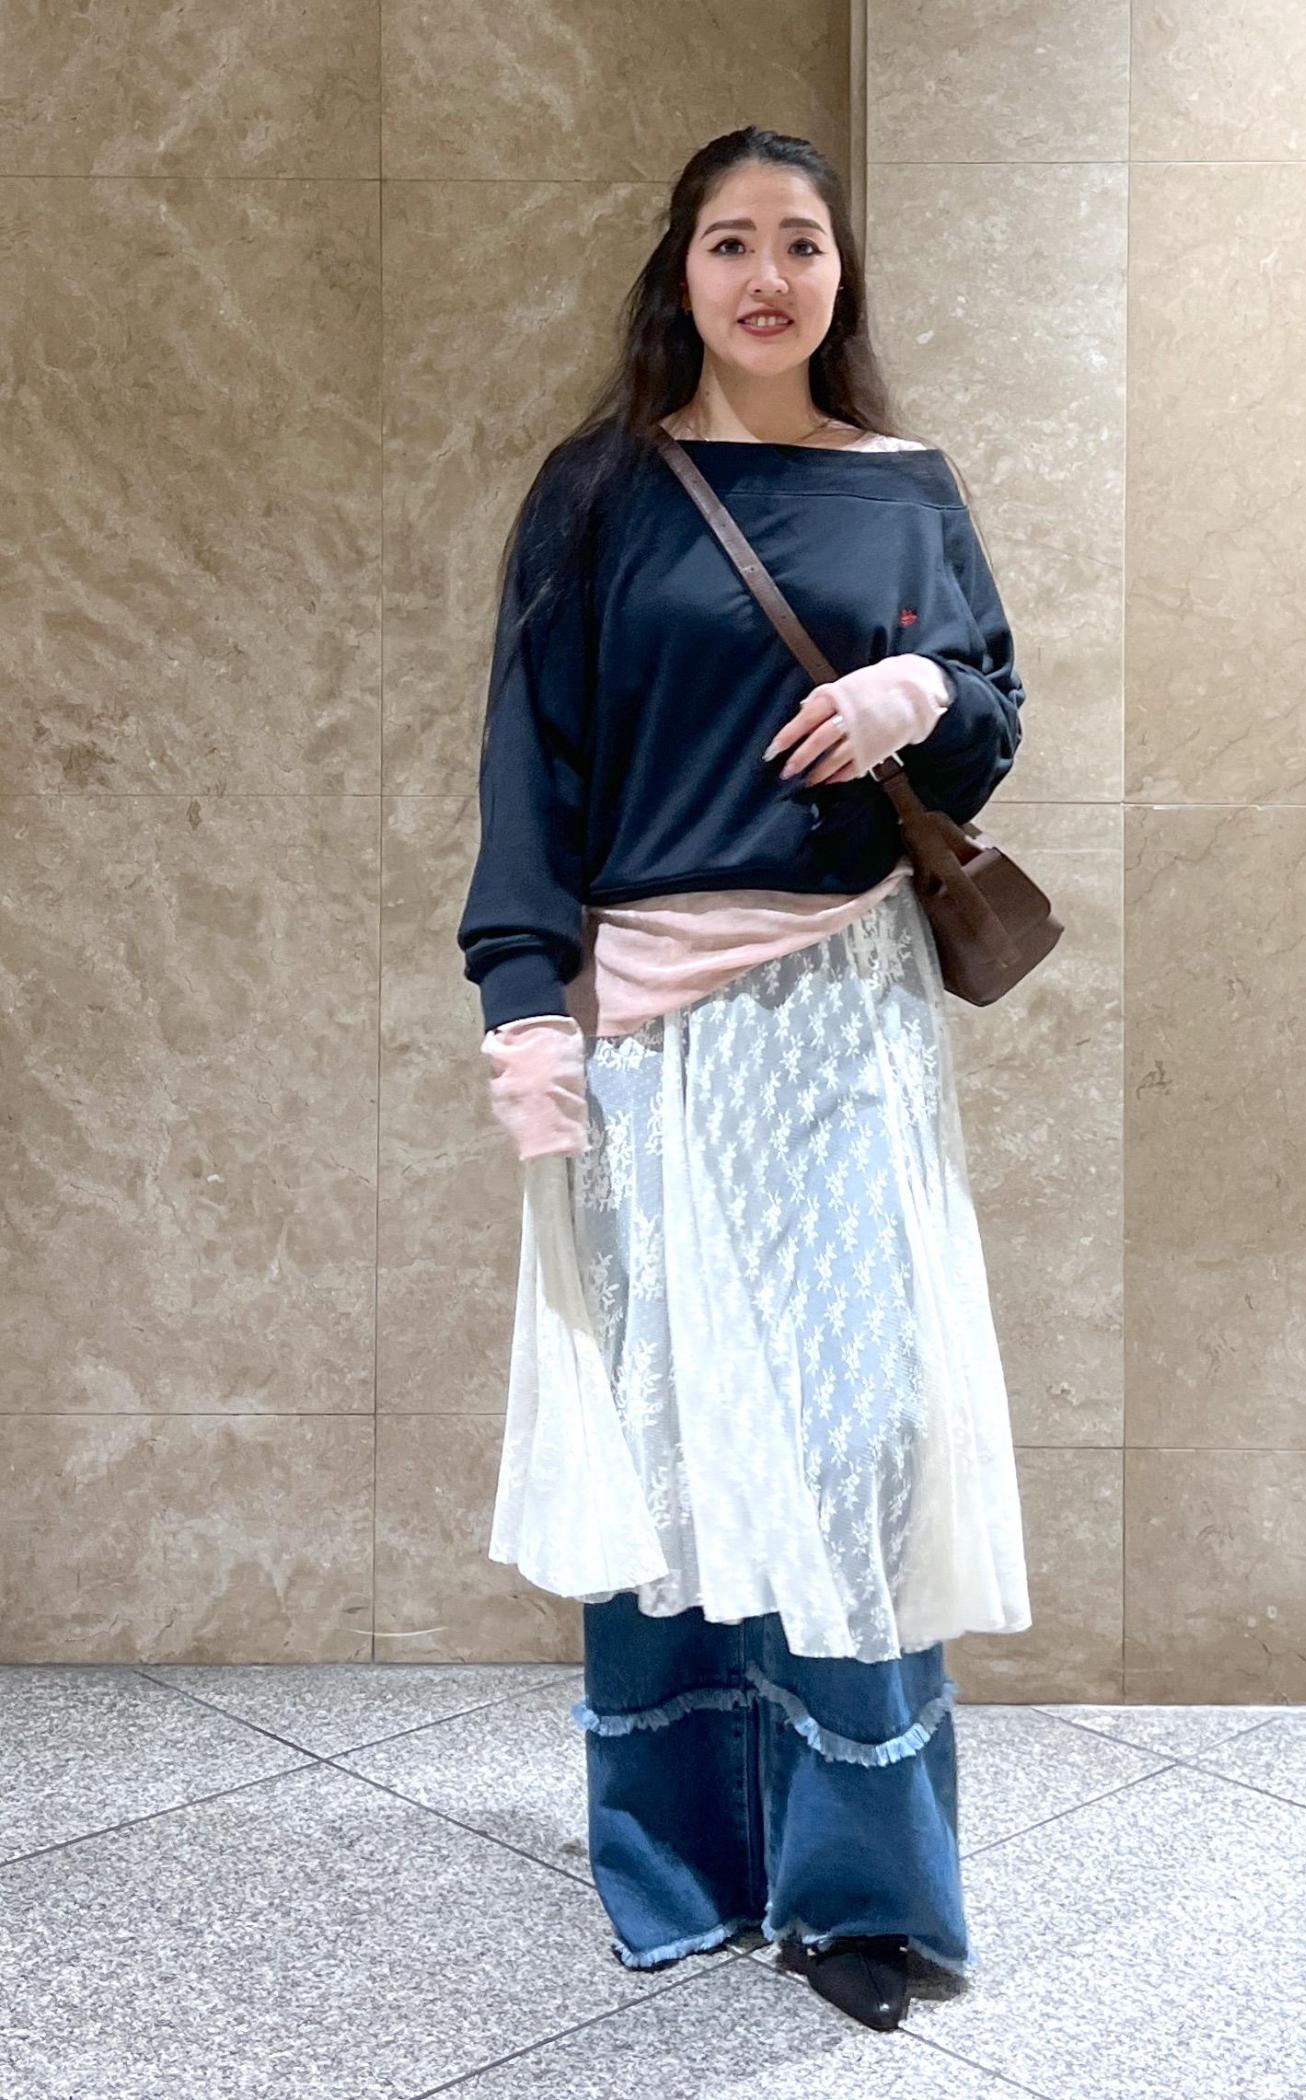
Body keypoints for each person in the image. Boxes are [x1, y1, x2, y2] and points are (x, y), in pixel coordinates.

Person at [456, 123, 1032, 2034]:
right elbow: (529, 759)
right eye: (730, 241)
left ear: (839, 274)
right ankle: (684, 1865)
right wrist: (521, 1004)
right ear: (680, 271)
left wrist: (920, 695)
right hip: (643, 1028)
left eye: (800, 241)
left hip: (848, 1013)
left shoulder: (905, 488)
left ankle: (862, 1890)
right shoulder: (600, 492)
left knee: (857, 1434)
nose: (768, 275)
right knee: (673, 1443)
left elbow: (993, 716)